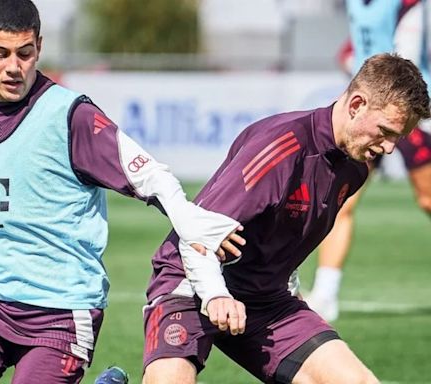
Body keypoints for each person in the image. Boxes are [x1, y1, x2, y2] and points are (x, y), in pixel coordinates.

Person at [0, 1, 244, 383]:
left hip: (59, 311)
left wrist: (194, 223)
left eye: (25, 53)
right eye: (0, 53)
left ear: (39, 46)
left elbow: (151, 177)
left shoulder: (72, 116)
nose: (13, 67)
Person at [139, 53, 430, 384]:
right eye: (385, 131)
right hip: (190, 282)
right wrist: (216, 294)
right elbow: (198, 232)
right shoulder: (281, 146)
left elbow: (288, 238)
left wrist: (291, 295)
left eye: (398, 138)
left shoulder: (354, 169)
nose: (390, 148)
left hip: (266, 300)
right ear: (356, 105)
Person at [306, 0, 431, 322]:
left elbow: (410, 53)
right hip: (370, 114)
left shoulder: (409, 4)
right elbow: (353, 48)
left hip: (406, 113)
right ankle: (325, 295)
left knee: (428, 199)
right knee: (340, 201)